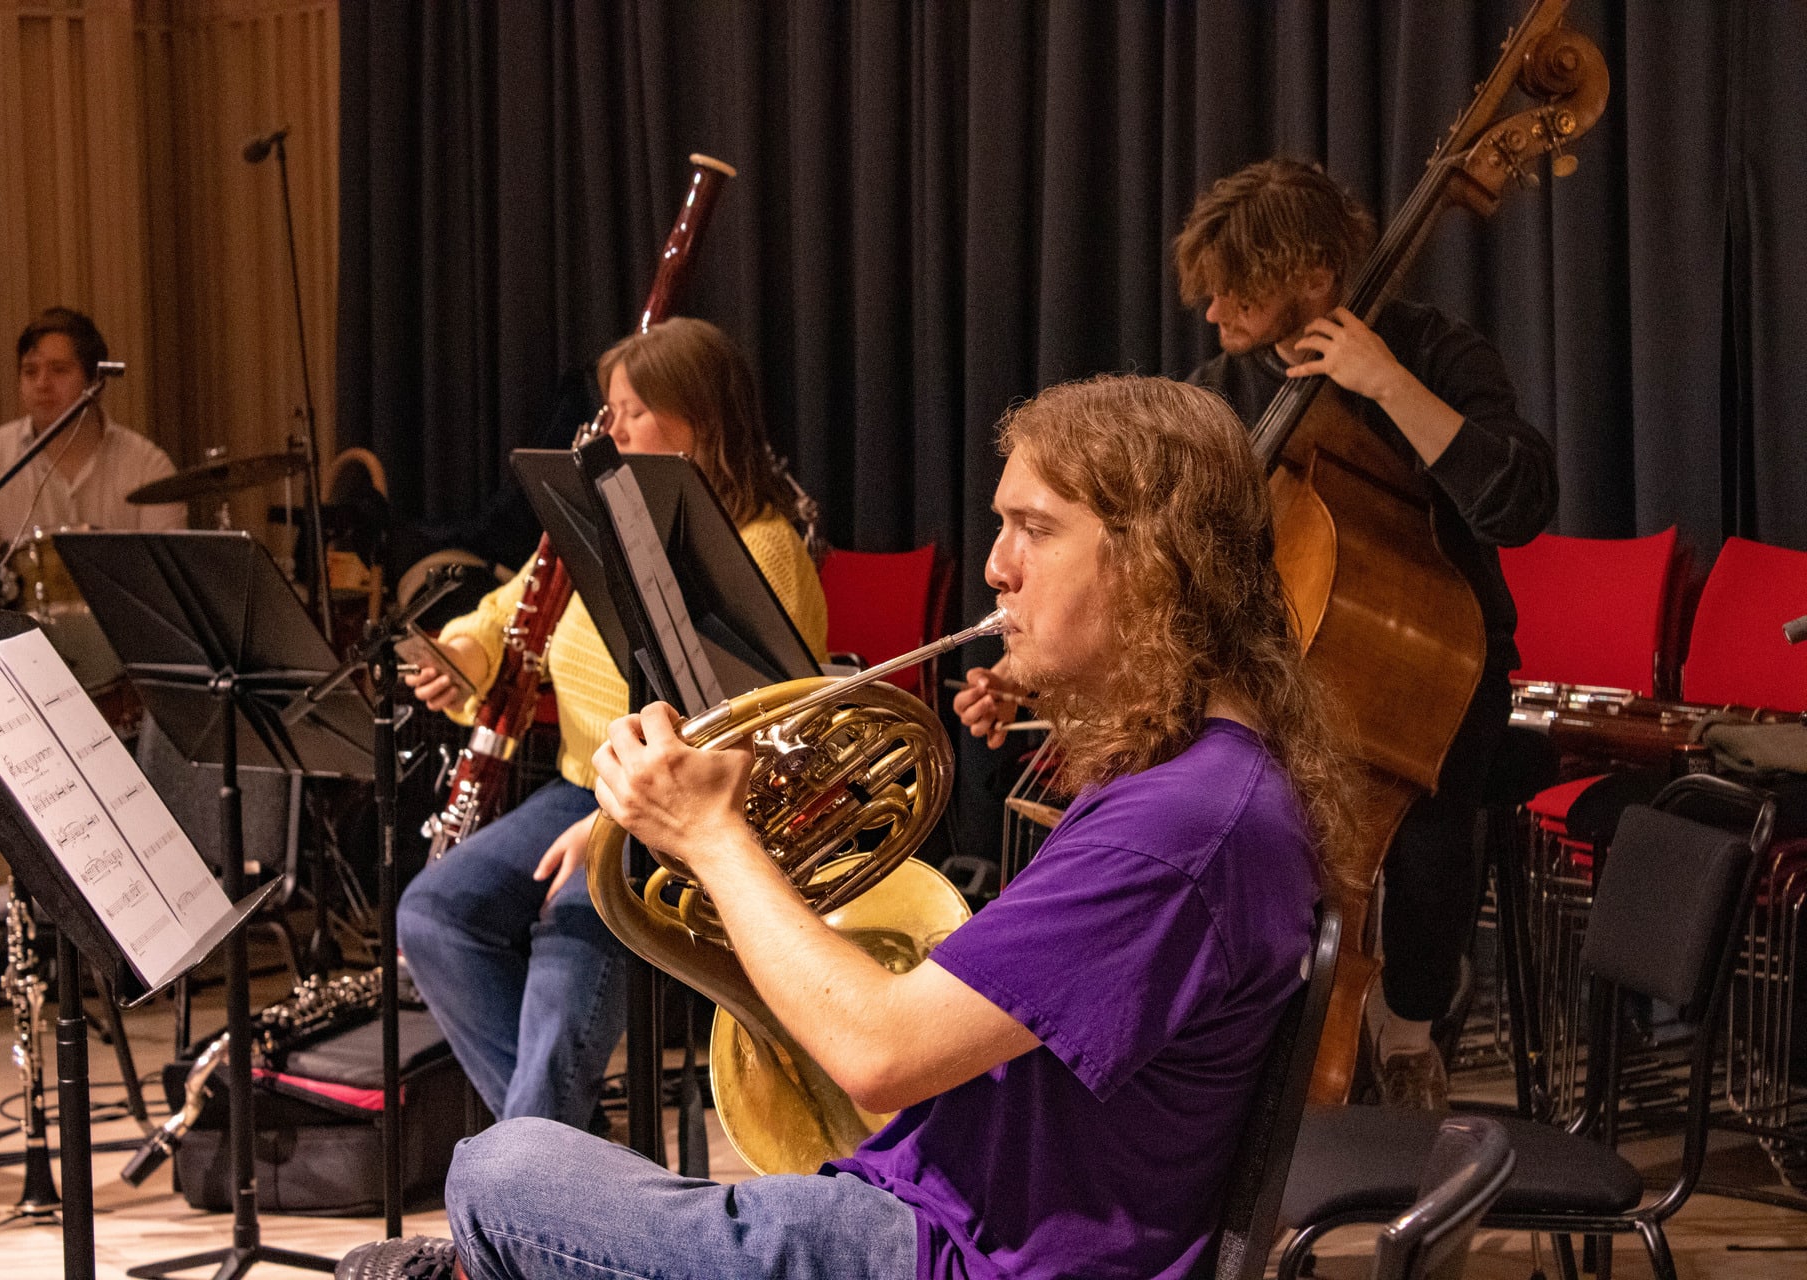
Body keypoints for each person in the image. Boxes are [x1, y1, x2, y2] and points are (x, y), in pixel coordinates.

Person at [347, 374, 1358, 1280]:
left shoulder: (1182, 822)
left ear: (1155, 559)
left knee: (503, 1168)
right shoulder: (1198, 773)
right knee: (522, 1188)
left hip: (965, 1254)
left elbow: (879, 1052)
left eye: (1033, 527)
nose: (997, 565)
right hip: (944, 1211)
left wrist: (714, 835)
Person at [1170, 156, 1558, 1108]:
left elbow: (1521, 501)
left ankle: (1412, 1024)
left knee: (1429, 844)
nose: (1213, 311)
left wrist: (1385, 386)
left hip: (1441, 674)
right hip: (1282, 672)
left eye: (1235, 287)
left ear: (1311, 272)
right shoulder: (1220, 389)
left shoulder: (1432, 351)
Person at [395, 316, 829, 1129]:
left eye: (630, 410)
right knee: (433, 913)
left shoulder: (764, 549)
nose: (608, 427)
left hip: (698, 811)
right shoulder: (597, 516)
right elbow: (502, 612)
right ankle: (563, 1158)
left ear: (694, 418)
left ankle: (533, 1184)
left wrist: (614, 826)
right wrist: (461, 652)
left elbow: (752, 728)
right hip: (587, 790)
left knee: (569, 932)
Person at [0, 307, 185, 563]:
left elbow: (167, 572)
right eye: (30, 372)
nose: (42, 384)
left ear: (95, 380)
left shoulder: (148, 467)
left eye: (59, 370)